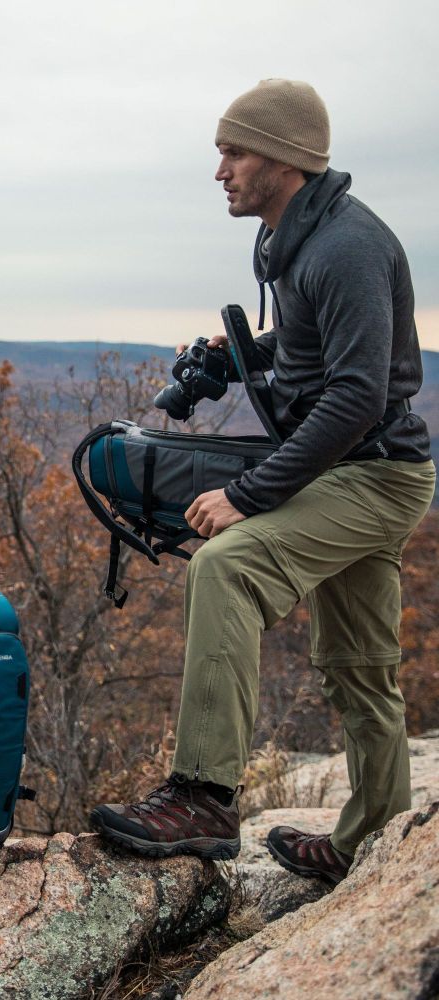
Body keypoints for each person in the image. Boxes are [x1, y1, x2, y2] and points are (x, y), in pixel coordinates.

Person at [89, 79, 435, 885]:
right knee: (359, 662)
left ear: (284, 158)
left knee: (227, 564)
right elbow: (319, 346)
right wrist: (254, 352)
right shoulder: (296, 240)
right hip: (357, 471)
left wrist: (248, 496)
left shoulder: (348, 246)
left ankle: (204, 797)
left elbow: (357, 394)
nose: (221, 170)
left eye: (233, 151)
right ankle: (376, 834)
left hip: (374, 477)